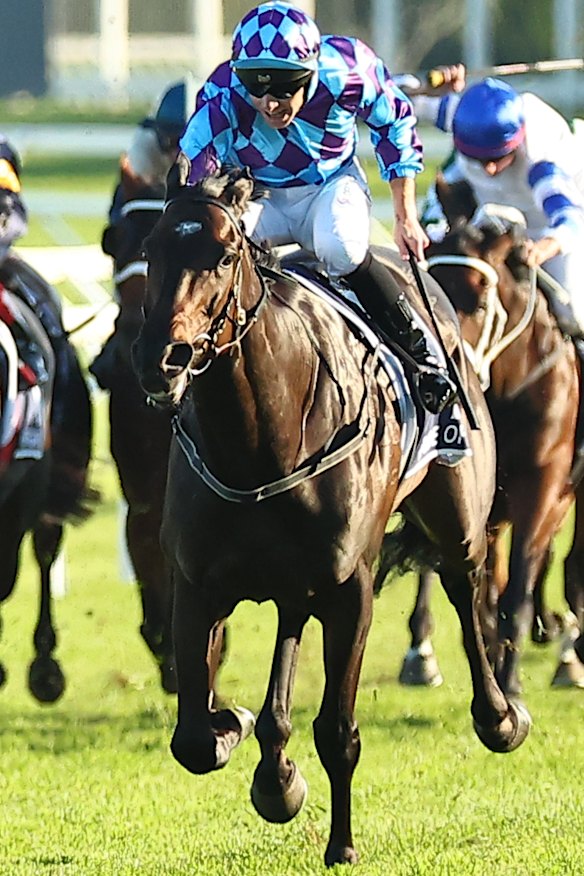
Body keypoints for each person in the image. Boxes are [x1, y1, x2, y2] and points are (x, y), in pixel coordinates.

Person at [167, 1, 457, 414]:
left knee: (340, 247)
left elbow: (395, 124)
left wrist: (405, 216)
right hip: (261, 197)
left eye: (285, 86)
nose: (269, 103)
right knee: (212, 255)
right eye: (257, 85)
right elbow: (193, 161)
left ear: (312, 73)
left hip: (330, 187)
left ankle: (421, 355)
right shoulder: (223, 90)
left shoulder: (349, 70)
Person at [410, 67, 584, 343]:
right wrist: (426, 85)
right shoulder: (457, 112)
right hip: (493, 210)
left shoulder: (541, 158)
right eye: (479, 160)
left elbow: (570, 221)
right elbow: (389, 92)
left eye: (498, 158)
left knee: (572, 307)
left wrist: (542, 249)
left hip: (553, 223)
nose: (489, 169)